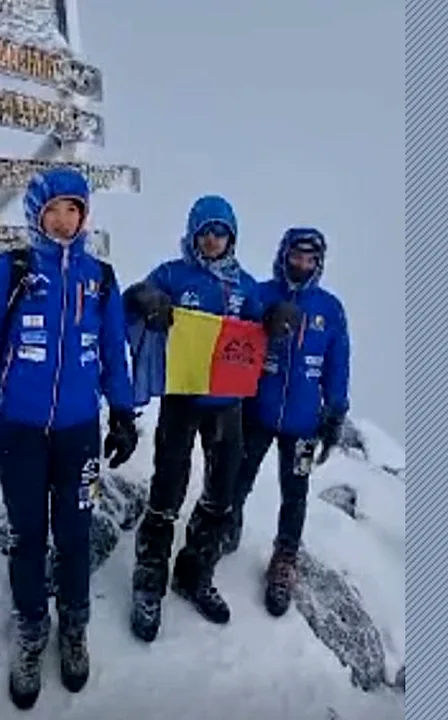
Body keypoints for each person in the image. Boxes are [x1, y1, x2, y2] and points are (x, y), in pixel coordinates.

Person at [0, 166, 140, 710]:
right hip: (18, 430)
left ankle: (73, 628)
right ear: (36, 214)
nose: (63, 219)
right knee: (29, 535)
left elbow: (113, 351)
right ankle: (32, 631)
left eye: (72, 210)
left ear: (84, 216)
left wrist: (123, 411)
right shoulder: (10, 271)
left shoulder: (100, 279)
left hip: (80, 432)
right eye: (53, 209)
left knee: (75, 534)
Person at [121, 195, 297, 643]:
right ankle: (148, 581)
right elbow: (132, 298)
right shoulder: (174, 274)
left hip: (228, 406)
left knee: (221, 497)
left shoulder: (246, 287)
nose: (214, 239)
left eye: (221, 232)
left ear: (232, 238)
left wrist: (278, 316)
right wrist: (148, 298)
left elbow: (267, 318)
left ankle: (194, 573)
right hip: (182, 399)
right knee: (167, 491)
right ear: (194, 234)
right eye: (206, 231)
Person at [219, 227, 350, 617]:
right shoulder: (261, 294)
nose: (302, 265)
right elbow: (235, 337)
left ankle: (285, 559)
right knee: (239, 476)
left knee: (295, 491)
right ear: (284, 255)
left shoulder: (330, 309)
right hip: (257, 412)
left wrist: (336, 411)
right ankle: (229, 526)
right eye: (297, 256)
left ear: (319, 264)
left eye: (311, 259)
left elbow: (338, 363)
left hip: (305, 424)